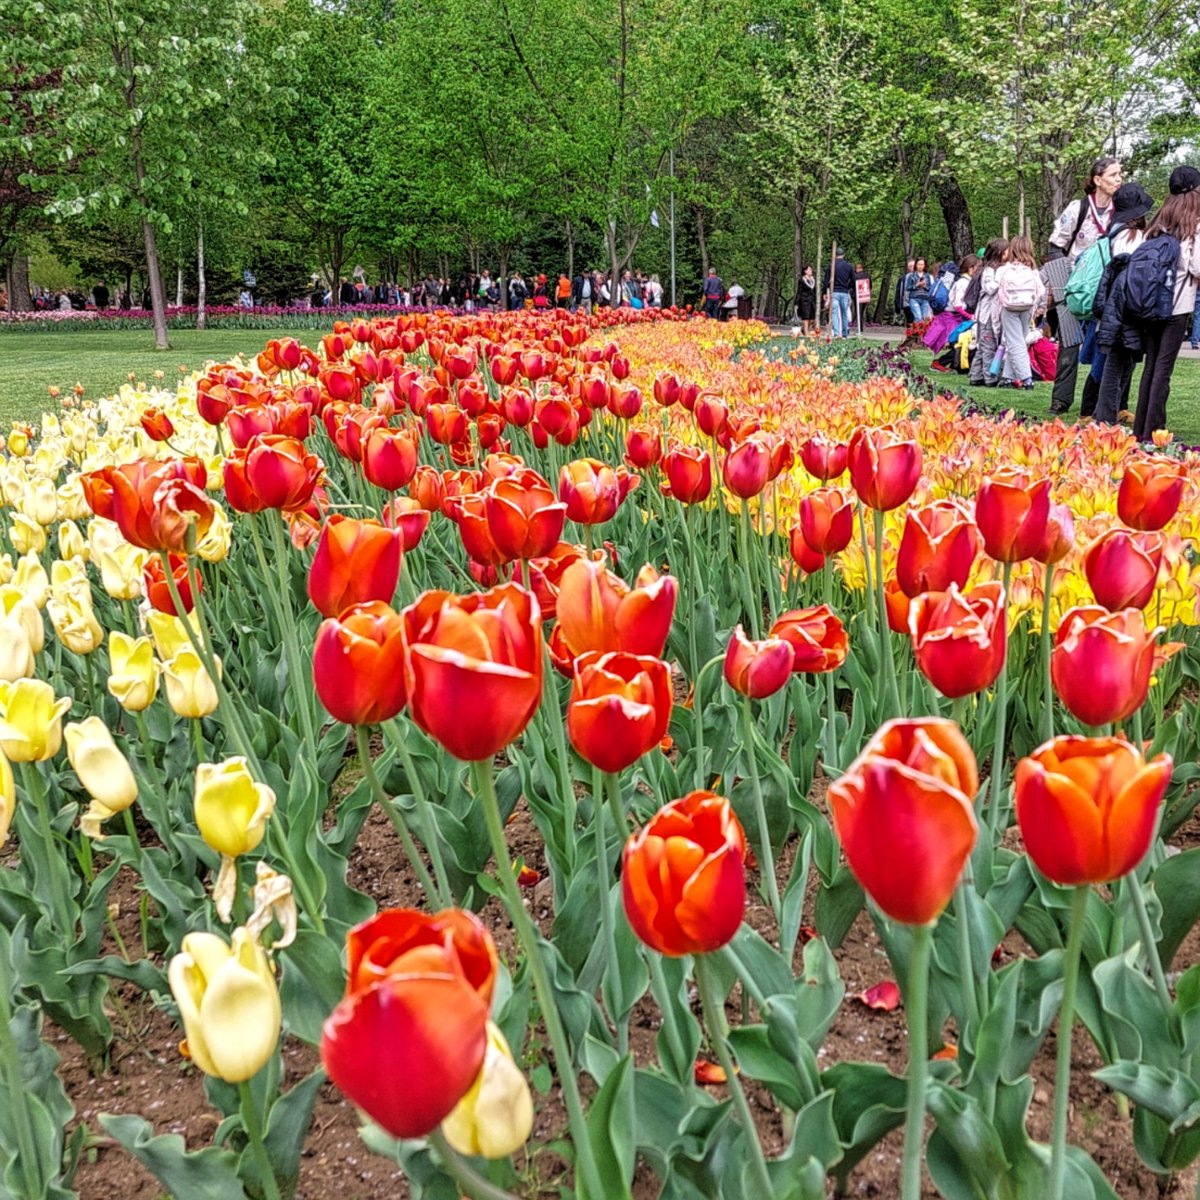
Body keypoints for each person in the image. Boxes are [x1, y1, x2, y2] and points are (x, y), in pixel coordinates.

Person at [1045, 157, 1123, 415]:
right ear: (1098, 180)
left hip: (1105, 285)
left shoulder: (1120, 211)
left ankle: (1101, 401)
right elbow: (1055, 246)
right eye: (1113, 175)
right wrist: (1063, 285)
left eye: (1120, 174)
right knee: (1069, 341)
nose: (1118, 179)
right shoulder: (1078, 209)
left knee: (1106, 340)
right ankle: (1061, 399)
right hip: (1074, 284)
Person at [1130, 167, 1200, 441]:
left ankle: (1141, 429)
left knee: (1151, 367)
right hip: (1177, 305)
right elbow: (1196, 266)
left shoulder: (1159, 222)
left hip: (1150, 304)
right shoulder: (1193, 225)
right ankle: (1155, 430)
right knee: (1164, 369)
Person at [1093, 183, 1155, 425]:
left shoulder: (1116, 236)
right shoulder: (1137, 238)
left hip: (1115, 306)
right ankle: (1105, 417)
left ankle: (1106, 414)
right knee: (1117, 364)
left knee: (1121, 363)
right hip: (1128, 307)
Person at [995, 236, 1045, 389]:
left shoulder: (1005, 268)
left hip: (1009, 307)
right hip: (1027, 307)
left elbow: (997, 287)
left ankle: (1026, 378)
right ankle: (1008, 377)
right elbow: (1041, 290)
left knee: (1015, 342)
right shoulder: (1032, 269)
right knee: (1019, 341)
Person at [826, 249, 855, 338]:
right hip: (844, 292)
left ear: (835, 255)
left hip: (834, 291)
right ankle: (845, 333)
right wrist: (849, 287)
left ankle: (836, 333)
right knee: (844, 313)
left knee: (834, 313)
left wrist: (825, 292)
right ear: (843, 255)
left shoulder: (831, 266)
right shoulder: (849, 266)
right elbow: (853, 280)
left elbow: (826, 280)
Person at [904, 258, 935, 323]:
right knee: (918, 317)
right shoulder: (911, 275)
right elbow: (907, 287)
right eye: (919, 264)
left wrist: (925, 286)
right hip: (914, 298)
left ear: (924, 265)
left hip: (925, 299)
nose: (920, 266)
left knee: (925, 319)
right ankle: (916, 332)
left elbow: (931, 288)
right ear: (916, 265)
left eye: (922, 264)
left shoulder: (928, 276)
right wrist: (916, 285)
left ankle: (923, 333)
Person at [894, 259, 915, 324]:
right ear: (908, 268)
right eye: (910, 266)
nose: (912, 268)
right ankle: (911, 333)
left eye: (913, 266)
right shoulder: (903, 279)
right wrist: (897, 305)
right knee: (910, 321)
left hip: (919, 302)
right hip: (907, 303)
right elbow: (898, 292)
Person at [798, 265, 817, 333]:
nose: (810, 271)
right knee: (805, 317)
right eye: (809, 269)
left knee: (812, 319)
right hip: (804, 301)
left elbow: (815, 291)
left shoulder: (813, 280)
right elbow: (799, 292)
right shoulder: (802, 280)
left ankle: (803, 329)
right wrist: (796, 302)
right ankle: (806, 333)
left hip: (812, 301)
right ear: (805, 271)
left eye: (811, 269)